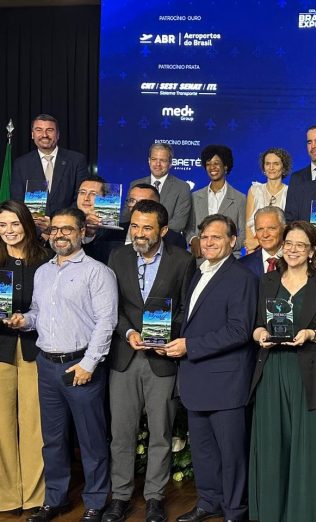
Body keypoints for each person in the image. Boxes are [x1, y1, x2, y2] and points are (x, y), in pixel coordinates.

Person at [5, 207, 118, 522]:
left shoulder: (97, 272)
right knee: (53, 440)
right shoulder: (43, 272)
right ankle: (54, 500)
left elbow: (106, 322)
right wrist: (24, 320)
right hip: (46, 365)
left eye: (67, 229)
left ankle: (95, 501)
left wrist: (89, 364)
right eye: (55, 229)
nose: (60, 235)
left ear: (82, 232)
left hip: (79, 366)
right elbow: (38, 313)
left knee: (91, 439)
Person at [102, 200, 196, 522]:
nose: (139, 233)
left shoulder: (182, 260)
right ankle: (121, 496)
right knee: (121, 433)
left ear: (164, 230)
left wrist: (164, 335)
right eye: (135, 226)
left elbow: (186, 308)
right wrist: (128, 332)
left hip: (162, 360)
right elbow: (112, 305)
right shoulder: (118, 257)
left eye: (147, 228)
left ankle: (155, 497)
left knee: (161, 433)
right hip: (125, 357)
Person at [249, 220, 316, 522]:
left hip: (312, 372)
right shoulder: (267, 280)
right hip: (272, 369)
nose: (292, 250)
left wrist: (311, 334)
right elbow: (255, 325)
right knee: (272, 447)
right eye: (288, 243)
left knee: (307, 450)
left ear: (312, 250)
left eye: (300, 245)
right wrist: (261, 336)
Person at [169, 214, 257, 522]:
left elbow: (239, 330)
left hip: (225, 381)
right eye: (205, 237)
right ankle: (209, 502)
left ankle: (235, 510)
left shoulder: (242, 277)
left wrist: (190, 346)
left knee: (231, 454)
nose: (208, 242)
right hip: (196, 379)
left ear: (233, 242)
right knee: (203, 451)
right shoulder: (199, 271)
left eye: (216, 237)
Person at [0, 201, 51, 515]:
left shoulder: (45, 260)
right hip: (0, 350)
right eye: (2, 225)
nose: (9, 231)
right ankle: (6, 496)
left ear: (27, 225)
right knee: (1, 425)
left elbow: (55, 306)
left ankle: (34, 496)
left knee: (35, 424)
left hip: (34, 349)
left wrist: (28, 319)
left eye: (15, 224)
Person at [10, 114, 89, 217]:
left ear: (58, 134)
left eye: (50, 130)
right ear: (33, 134)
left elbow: (81, 198)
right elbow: (17, 201)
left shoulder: (76, 160)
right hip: (34, 225)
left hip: (67, 224)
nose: (44, 135)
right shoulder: (21, 164)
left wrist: (60, 221)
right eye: (39, 130)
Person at [186, 145, 245, 259]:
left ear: (225, 166)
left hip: (228, 258)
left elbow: (244, 233)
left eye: (216, 163)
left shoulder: (240, 199)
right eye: (208, 164)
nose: (212, 167)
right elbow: (188, 229)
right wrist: (193, 240)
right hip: (200, 258)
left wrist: (226, 247)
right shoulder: (195, 197)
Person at [130, 143, 192, 234]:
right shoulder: (135, 184)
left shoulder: (182, 187)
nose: (158, 164)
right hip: (136, 236)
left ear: (170, 163)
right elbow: (127, 216)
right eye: (154, 159)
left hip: (166, 239)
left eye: (163, 160)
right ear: (149, 161)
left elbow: (179, 223)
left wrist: (154, 234)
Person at [244, 148, 290, 252]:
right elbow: (248, 225)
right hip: (255, 250)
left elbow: (288, 227)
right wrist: (251, 249)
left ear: (283, 168)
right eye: (268, 164)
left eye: (276, 164)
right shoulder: (255, 190)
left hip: (282, 249)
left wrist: (259, 242)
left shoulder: (289, 192)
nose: (271, 168)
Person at [239, 206, 284, 279]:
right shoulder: (242, 265)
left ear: (284, 229)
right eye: (260, 229)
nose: (265, 235)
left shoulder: (295, 262)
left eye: (271, 228)